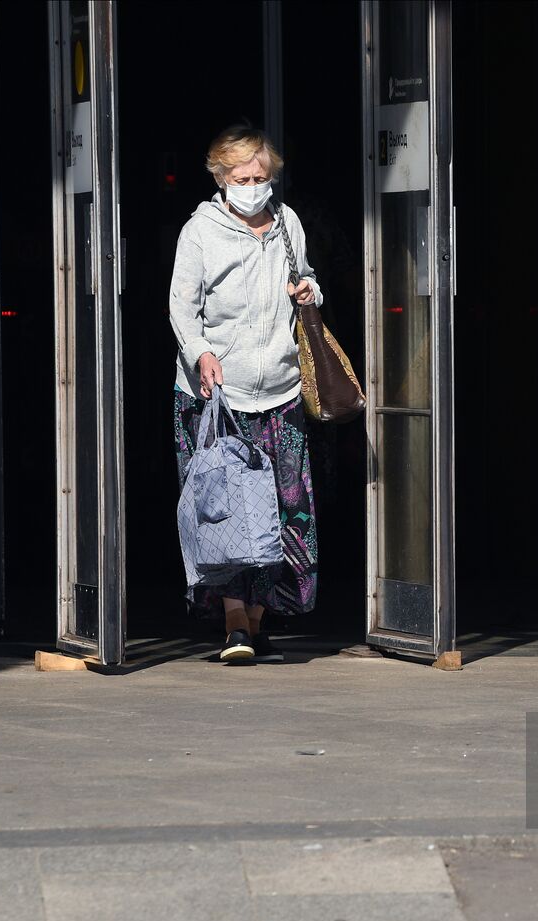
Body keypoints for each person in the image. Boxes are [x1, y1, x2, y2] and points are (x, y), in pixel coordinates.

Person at [168, 125, 321, 663]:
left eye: (261, 177)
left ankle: (257, 621)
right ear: (221, 178)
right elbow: (182, 308)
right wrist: (200, 352)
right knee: (229, 512)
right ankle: (235, 622)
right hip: (217, 394)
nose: (254, 186)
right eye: (243, 178)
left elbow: (307, 279)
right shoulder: (200, 232)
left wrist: (308, 290)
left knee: (282, 507)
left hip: (279, 389)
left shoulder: (287, 224)